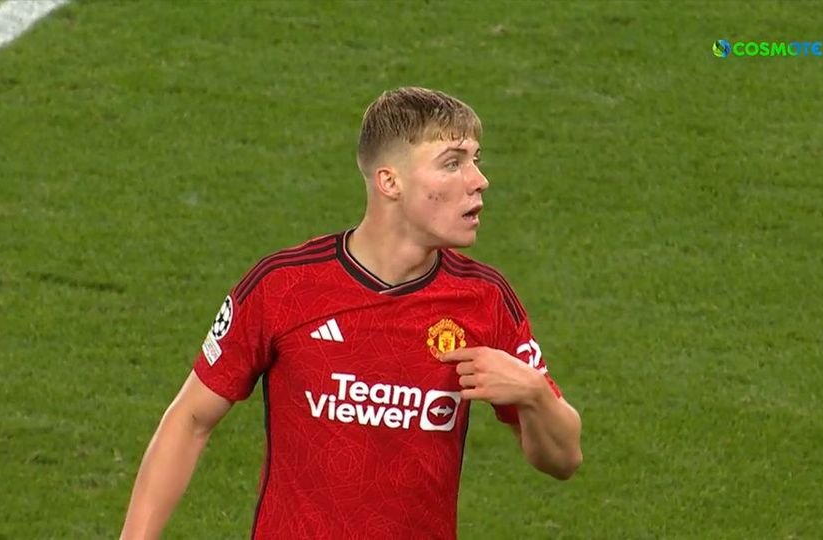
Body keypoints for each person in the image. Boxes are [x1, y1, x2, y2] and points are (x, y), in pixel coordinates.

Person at [120, 87, 583, 540]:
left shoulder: (483, 299)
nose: (479, 180)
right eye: (452, 163)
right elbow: (190, 420)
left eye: (475, 160)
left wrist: (534, 394)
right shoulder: (285, 286)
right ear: (390, 182)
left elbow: (564, 460)